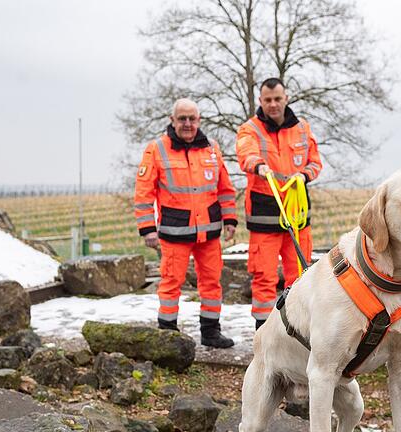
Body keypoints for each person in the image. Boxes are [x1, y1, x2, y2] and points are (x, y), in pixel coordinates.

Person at [133, 98, 237, 348]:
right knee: (171, 284)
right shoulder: (156, 149)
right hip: (174, 233)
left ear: (199, 120)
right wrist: (147, 229)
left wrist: (230, 220)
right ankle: (168, 334)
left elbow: (224, 188)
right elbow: (143, 192)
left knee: (212, 283)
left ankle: (211, 333)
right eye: (182, 119)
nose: (187, 124)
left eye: (192, 118)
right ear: (172, 120)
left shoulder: (211, 148)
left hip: (209, 233)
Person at [236, 78, 322, 329]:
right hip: (265, 214)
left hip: (297, 214)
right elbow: (245, 153)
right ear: (261, 101)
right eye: (267, 100)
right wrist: (258, 166)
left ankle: (296, 327)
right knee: (264, 275)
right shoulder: (250, 129)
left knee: (300, 274)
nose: (273, 104)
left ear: (286, 98)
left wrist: (304, 175)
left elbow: (315, 162)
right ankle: (263, 330)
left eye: (277, 99)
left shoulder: (303, 128)